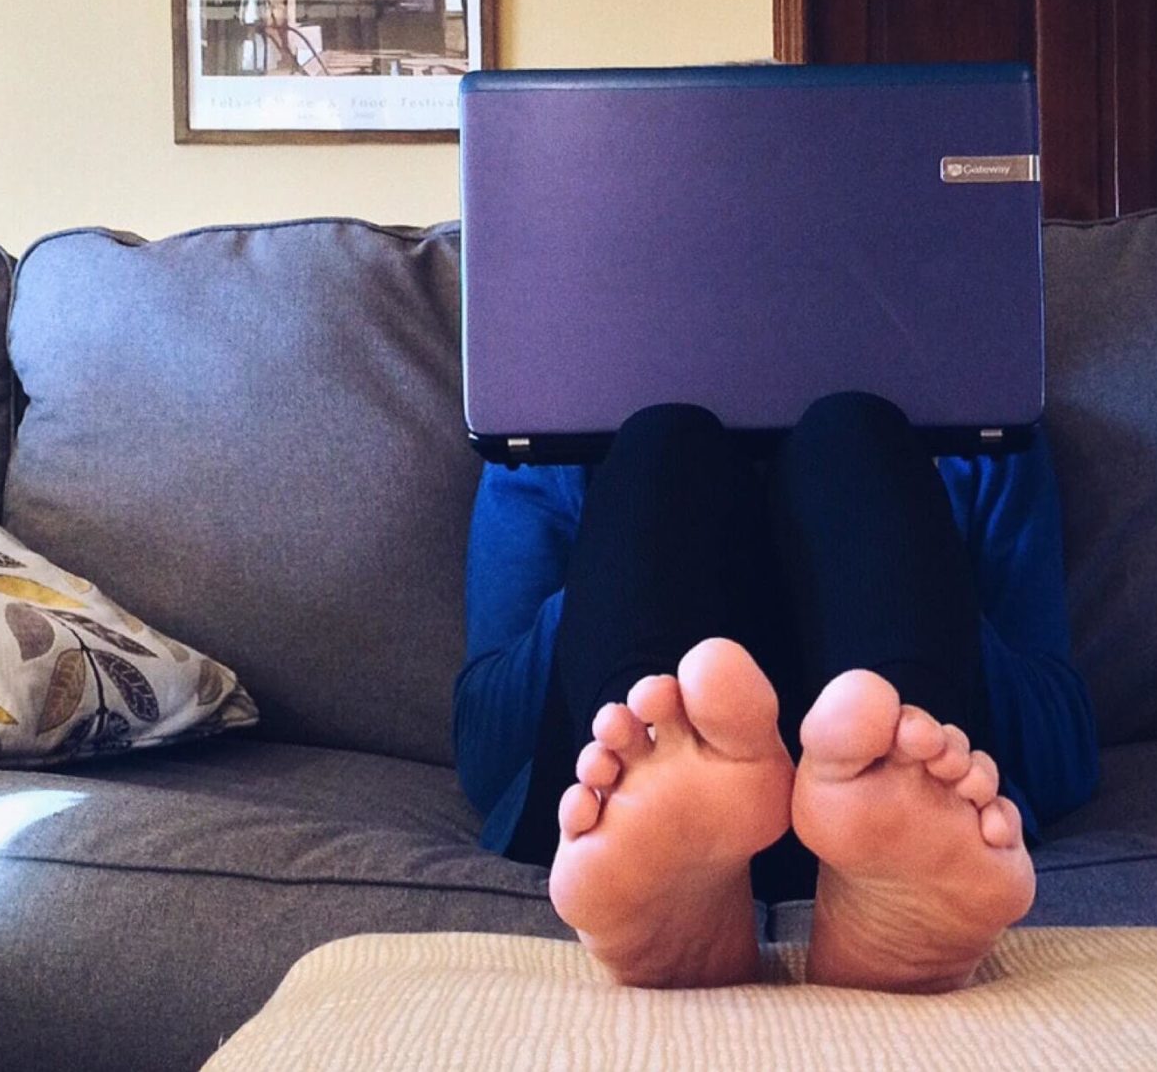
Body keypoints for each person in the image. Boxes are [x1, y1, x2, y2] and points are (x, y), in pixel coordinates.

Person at [455, 391, 1098, 992]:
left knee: (853, 432)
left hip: (905, 789)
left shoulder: (981, 407)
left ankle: (889, 766)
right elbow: (489, 736)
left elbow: (1061, 743)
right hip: (615, 784)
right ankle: (647, 780)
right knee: (666, 441)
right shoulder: (546, 408)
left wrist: (930, 599)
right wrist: (612, 579)